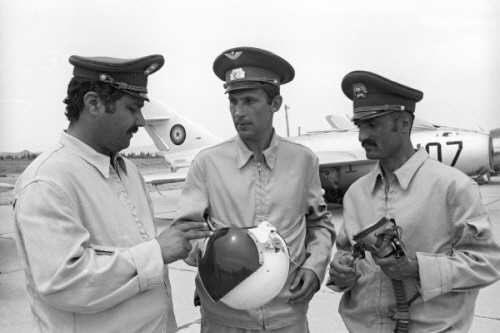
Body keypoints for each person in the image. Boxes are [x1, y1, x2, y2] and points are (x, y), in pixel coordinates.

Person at [12, 54, 211, 333]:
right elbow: (65, 282)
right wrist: (156, 252)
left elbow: (145, 258)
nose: (141, 121)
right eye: (133, 108)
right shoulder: (47, 182)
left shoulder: (127, 170)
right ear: (93, 103)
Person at [171, 46, 336, 332]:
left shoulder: (303, 161)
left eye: (249, 101)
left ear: (275, 103)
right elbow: (185, 233)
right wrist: (216, 256)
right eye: (233, 101)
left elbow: (319, 223)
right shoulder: (207, 164)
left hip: (288, 314)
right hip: (225, 318)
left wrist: (315, 266)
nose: (238, 112)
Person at [328, 70, 500, 332]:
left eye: (372, 124)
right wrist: (342, 270)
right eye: (360, 126)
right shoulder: (355, 194)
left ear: (405, 124)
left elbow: (487, 265)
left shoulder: (454, 187)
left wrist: (417, 268)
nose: (362, 136)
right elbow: (347, 251)